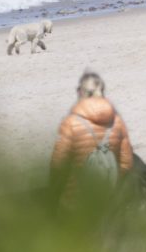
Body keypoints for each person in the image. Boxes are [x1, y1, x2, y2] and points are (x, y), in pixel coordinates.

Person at [50, 71, 135, 207]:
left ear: (81, 92)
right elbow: (127, 164)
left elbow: (58, 165)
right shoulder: (117, 122)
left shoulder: (70, 123)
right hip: (108, 200)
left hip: (76, 202)